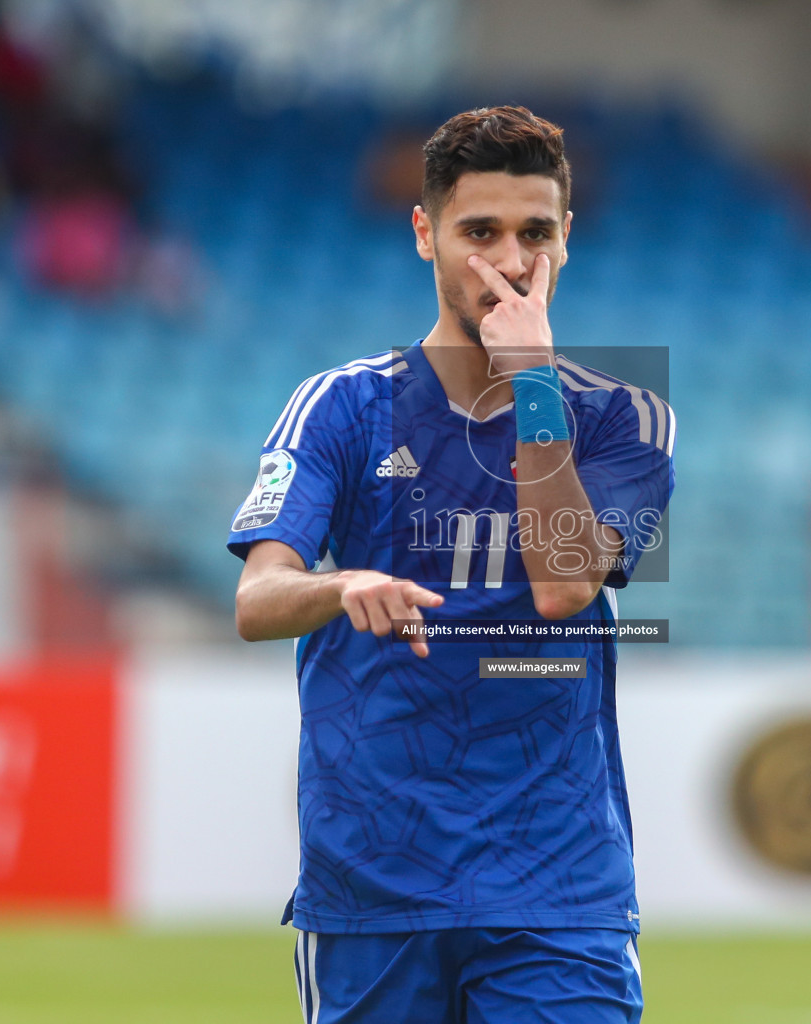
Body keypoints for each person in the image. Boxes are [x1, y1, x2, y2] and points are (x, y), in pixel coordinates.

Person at [228, 106, 675, 1023]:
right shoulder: (339, 408)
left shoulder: (626, 418)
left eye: (535, 233)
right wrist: (341, 583)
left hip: (556, 886)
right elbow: (257, 600)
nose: (511, 264)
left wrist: (534, 385)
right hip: (374, 883)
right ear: (426, 233)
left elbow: (563, 587)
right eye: (480, 232)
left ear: (567, 240)